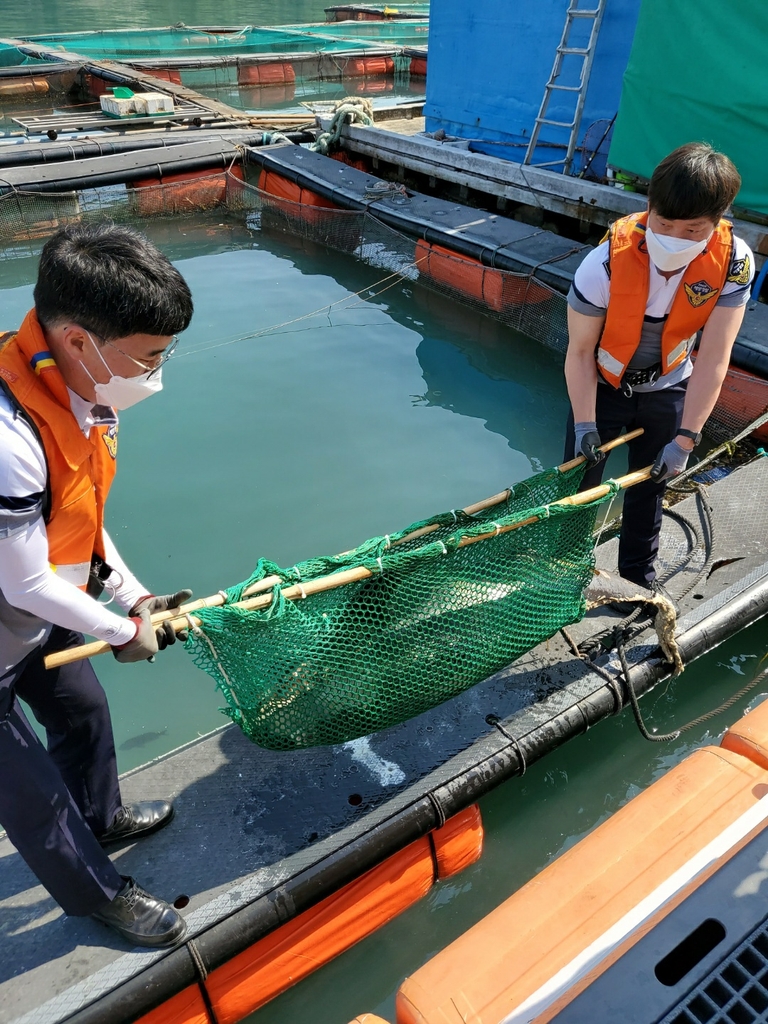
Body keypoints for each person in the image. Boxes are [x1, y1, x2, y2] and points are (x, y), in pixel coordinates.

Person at [0, 223, 194, 948]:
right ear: (79, 340)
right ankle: (99, 895)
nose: (157, 374)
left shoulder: (82, 396)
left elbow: (80, 516)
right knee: (31, 796)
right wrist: (121, 632)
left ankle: (104, 818)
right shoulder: (8, 437)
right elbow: (23, 579)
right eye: (148, 357)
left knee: (83, 714)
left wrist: (135, 598)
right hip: (17, 599)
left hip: (29, 605)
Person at [564, 142, 754, 588]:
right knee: (579, 489)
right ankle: (565, 574)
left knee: (650, 489)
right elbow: (578, 353)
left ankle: (636, 579)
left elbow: (715, 356)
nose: (674, 237)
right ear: (648, 207)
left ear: (718, 221)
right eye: (664, 223)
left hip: (669, 389)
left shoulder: (733, 263)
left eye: (692, 230)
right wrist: (584, 425)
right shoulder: (603, 264)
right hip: (602, 388)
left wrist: (687, 438)